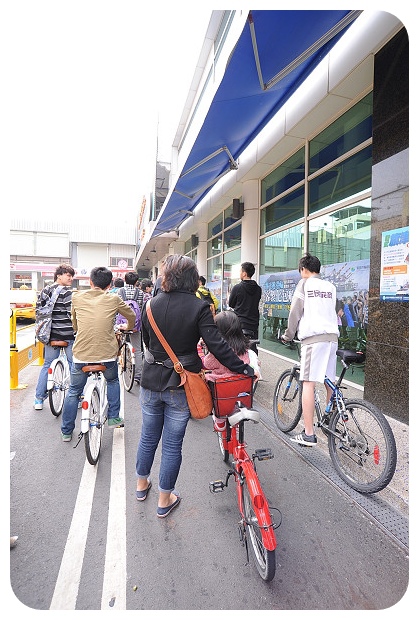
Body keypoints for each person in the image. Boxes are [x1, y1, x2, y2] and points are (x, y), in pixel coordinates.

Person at [136, 254, 257, 518]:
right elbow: (218, 346)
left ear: (165, 277)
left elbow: (146, 344)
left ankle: (141, 485)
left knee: (148, 437)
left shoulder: (149, 306)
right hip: (182, 384)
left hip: (150, 382)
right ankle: (164, 498)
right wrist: (244, 368)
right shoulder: (199, 307)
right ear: (193, 278)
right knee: (171, 444)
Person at [60, 266, 136, 442]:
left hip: (81, 354)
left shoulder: (77, 297)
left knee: (73, 391)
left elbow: (75, 323)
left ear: (90, 282)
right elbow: (131, 315)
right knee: (113, 380)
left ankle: (66, 431)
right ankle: (114, 417)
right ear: (110, 285)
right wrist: (128, 327)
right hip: (107, 355)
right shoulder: (114, 299)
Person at [281, 253, 339, 447]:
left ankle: (308, 434)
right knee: (329, 380)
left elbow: (295, 312)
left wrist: (288, 335)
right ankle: (334, 417)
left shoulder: (304, 284)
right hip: (332, 339)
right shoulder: (330, 287)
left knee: (308, 382)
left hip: (313, 340)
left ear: (304, 270)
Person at [202, 310, 261, 432]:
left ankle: (220, 422)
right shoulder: (244, 348)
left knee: (209, 383)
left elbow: (207, 364)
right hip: (240, 387)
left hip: (222, 388)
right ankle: (237, 416)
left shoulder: (217, 352)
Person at [34, 264, 76, 410]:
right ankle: (78, 395)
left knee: (47, 365)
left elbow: (38, 310)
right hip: (68, 335)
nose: (70, 278)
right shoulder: (67, 292)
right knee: (73, 365)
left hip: (49, 335)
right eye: (68, 275)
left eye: (71, 276)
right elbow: (72, 314)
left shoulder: (45, 290)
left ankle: (38, 399)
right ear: (59, 275)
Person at [228, 261, 262, 353]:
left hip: (240, 323)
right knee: (252, 348)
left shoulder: (237, 288)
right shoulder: (258, 289)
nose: (239, 273)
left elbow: (231, 304)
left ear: (244, 273)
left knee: (238, 349)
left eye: (240, 271)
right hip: (253, 324)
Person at [118, 271, 144, 384]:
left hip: (122, 324)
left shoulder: (120, 291)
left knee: (118, 345)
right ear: (136, 282)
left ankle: (120, 363)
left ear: (125, 280)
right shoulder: (140, 293)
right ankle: (138, 375)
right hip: (135, 324)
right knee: (137, 349)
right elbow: (141, 308)